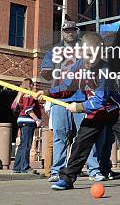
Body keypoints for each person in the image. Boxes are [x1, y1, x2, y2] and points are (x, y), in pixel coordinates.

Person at [49, 33, 120, 190]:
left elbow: (101, 100)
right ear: (81, 52)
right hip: (95, 113)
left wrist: (78, 107)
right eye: (88, 55)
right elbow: (66, 86)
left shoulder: (106, 69)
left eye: (96, 55)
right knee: (80, 144)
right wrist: (46, 94)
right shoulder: (77, 66)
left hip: (114, 112)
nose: (92, 59)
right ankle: (66, 179)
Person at [40, 21, 87, 182]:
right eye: (67, 30)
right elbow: (45, 73)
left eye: (72, 30)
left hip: (81, 98)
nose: (70, 32)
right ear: (62, 32)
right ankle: (57, 171)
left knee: (85, 135)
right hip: (60, 99)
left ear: (77, 32)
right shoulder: (55, 51)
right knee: (60, 135)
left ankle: (92, 169)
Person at [11, 79, 42, 173]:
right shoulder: (28, 94)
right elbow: (28, 110)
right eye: (33, 85)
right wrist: (37, 119)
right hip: (28, 121)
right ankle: (25, 167)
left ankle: (17, 167)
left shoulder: (20, 94)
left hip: (21, 120)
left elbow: (14, 107)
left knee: (22, 144)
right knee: (27, 145)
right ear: (30, 85)